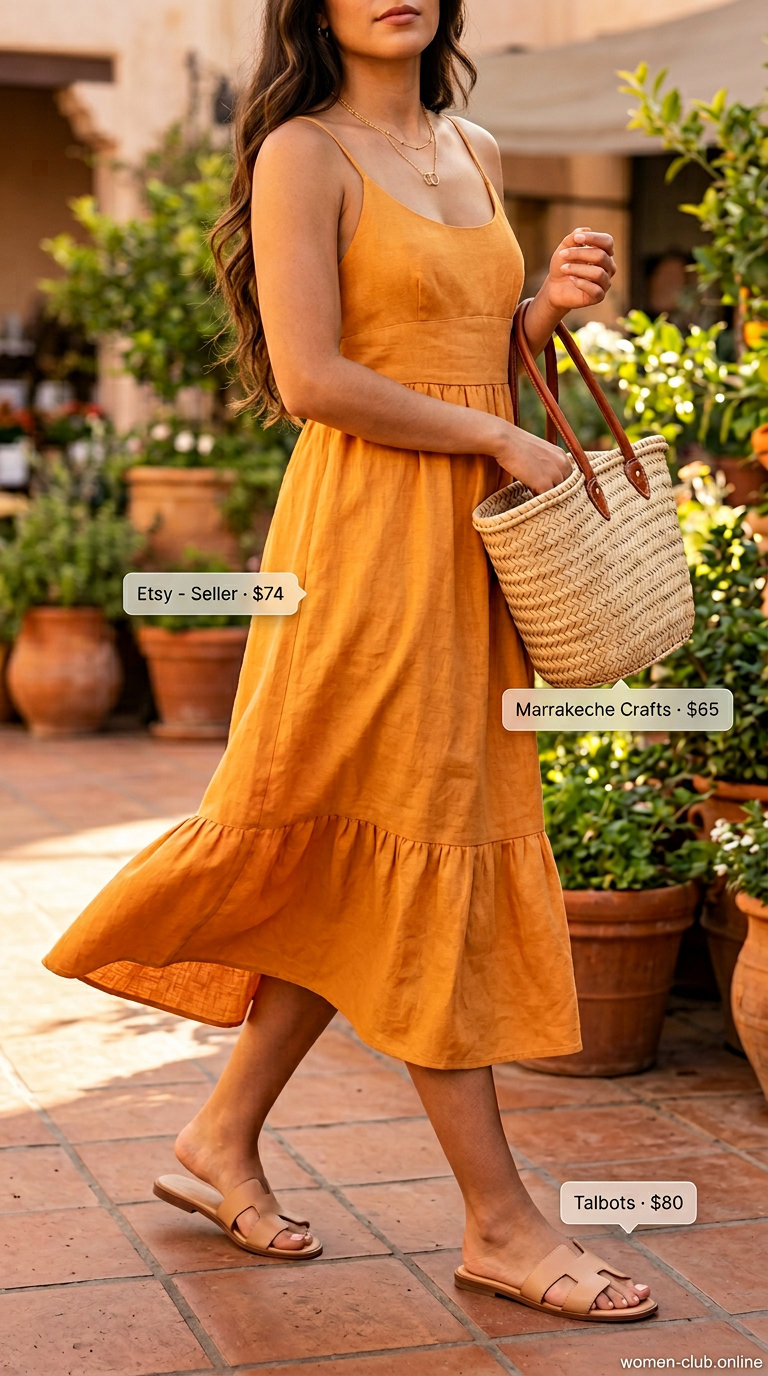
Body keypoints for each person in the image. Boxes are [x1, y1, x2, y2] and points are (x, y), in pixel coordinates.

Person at [43, 0, 657, 1323]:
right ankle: (503, 1223)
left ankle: (215, 1143)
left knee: (367, 839)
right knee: (412, 832)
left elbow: (469, 355)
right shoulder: (300, 153)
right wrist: (493, 440)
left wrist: (539, 314)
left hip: (470, 550)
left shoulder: (476, 146)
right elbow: (317, 376)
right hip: (365, 543)